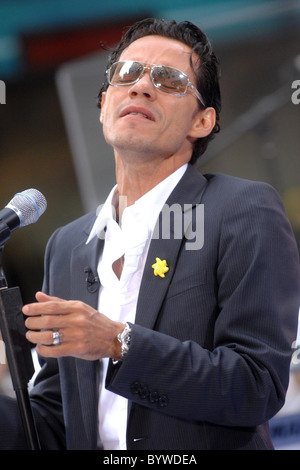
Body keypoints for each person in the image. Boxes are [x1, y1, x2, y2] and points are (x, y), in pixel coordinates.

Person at [0, 17, 300, 451]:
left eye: (168, 79)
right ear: (104, 105)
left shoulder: (240, 210)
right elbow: (53, 420)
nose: (141, 86)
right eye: (127, 73)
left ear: (202, 120)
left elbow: (256, 386)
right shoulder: (67, 245)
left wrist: (118, 341)